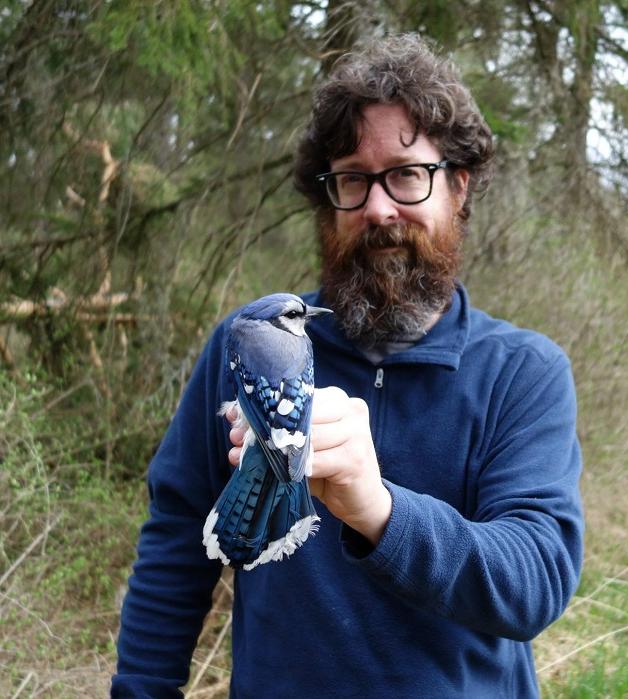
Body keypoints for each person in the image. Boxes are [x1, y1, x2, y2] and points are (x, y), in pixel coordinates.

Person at [112, 34, 583, 698]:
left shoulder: (522, 373)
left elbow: (535, 579)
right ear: (326, 197)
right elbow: (173, 549)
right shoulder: (245, 343)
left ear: (459, 185)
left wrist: (379, 508)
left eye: (407, 174)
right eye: (353, 179)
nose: (379, 208)